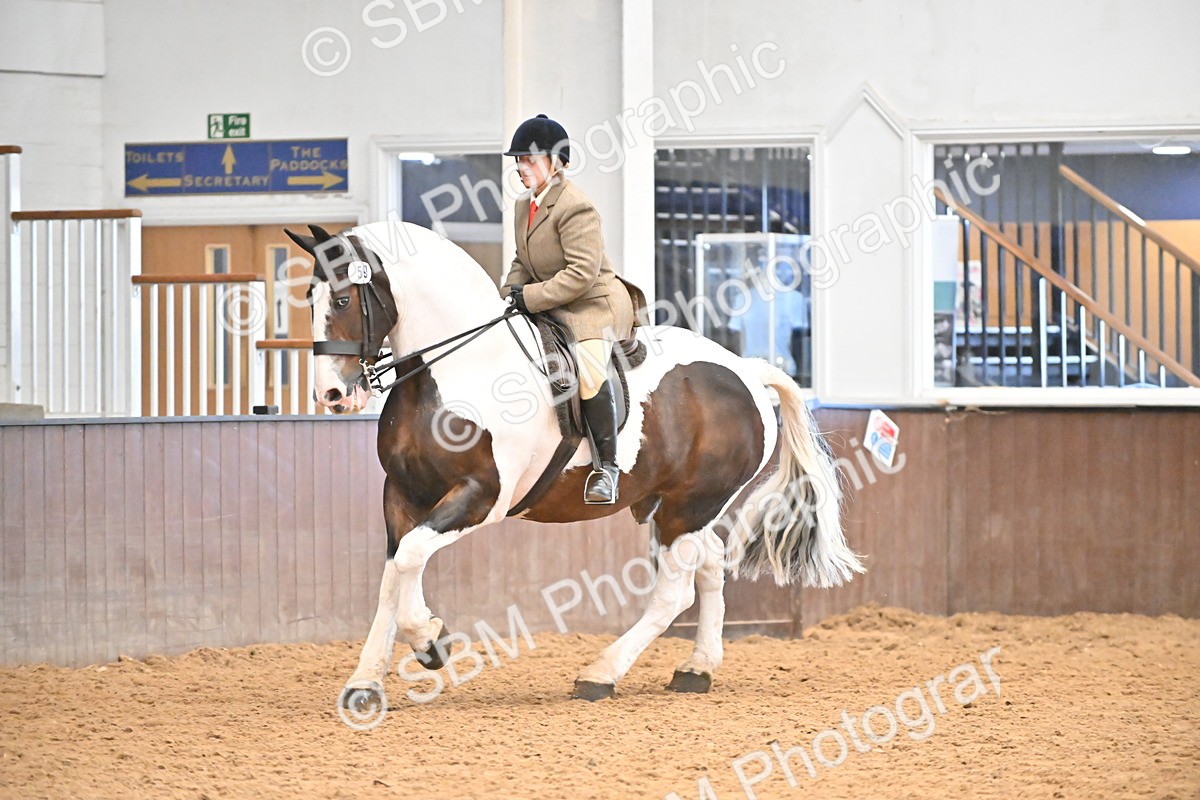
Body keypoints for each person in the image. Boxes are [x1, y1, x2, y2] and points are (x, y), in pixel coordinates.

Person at [500, 114, 645, 505]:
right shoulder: (522, 206)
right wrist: (508, 292)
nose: (520, 167)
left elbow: (581, 274)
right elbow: (522, 260)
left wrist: (528, 298)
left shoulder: (577, 207)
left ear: (556, 161)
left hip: (591, 304)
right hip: (552, 297)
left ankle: (606, 468)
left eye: (529, 160)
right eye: (518, 160)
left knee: (588, 368)